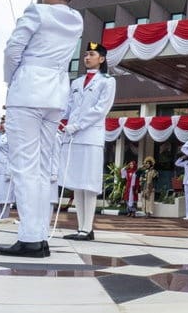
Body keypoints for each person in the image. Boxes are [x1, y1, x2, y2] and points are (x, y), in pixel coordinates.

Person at [0, 0, 83, 259]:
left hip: (28, 92)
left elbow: (13, 49)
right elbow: (55, 8)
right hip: (55, 96)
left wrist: (12, 79)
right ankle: (40, 235)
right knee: (44, 170)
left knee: (24, 167)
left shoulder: (36, 12)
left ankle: (31, 238)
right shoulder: (76, 19)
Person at [57, 42, 115, 241]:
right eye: (86, 54)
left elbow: (100, 110)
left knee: (88, 184)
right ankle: (81, 227)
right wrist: (62, 122)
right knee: (76, 183)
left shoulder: (107, 81)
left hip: (90, 137)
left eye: (91, 54)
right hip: (72, 137)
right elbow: (69, 106)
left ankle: (87, 228)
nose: (87, 58)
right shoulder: (76, 82)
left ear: (101, 58)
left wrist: (78, 125)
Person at [174, 154, 188, 220]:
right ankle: (187, 214)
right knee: (187, 198)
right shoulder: (186, 162)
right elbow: (177, 163)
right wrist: (183, 157)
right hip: (186, 181)